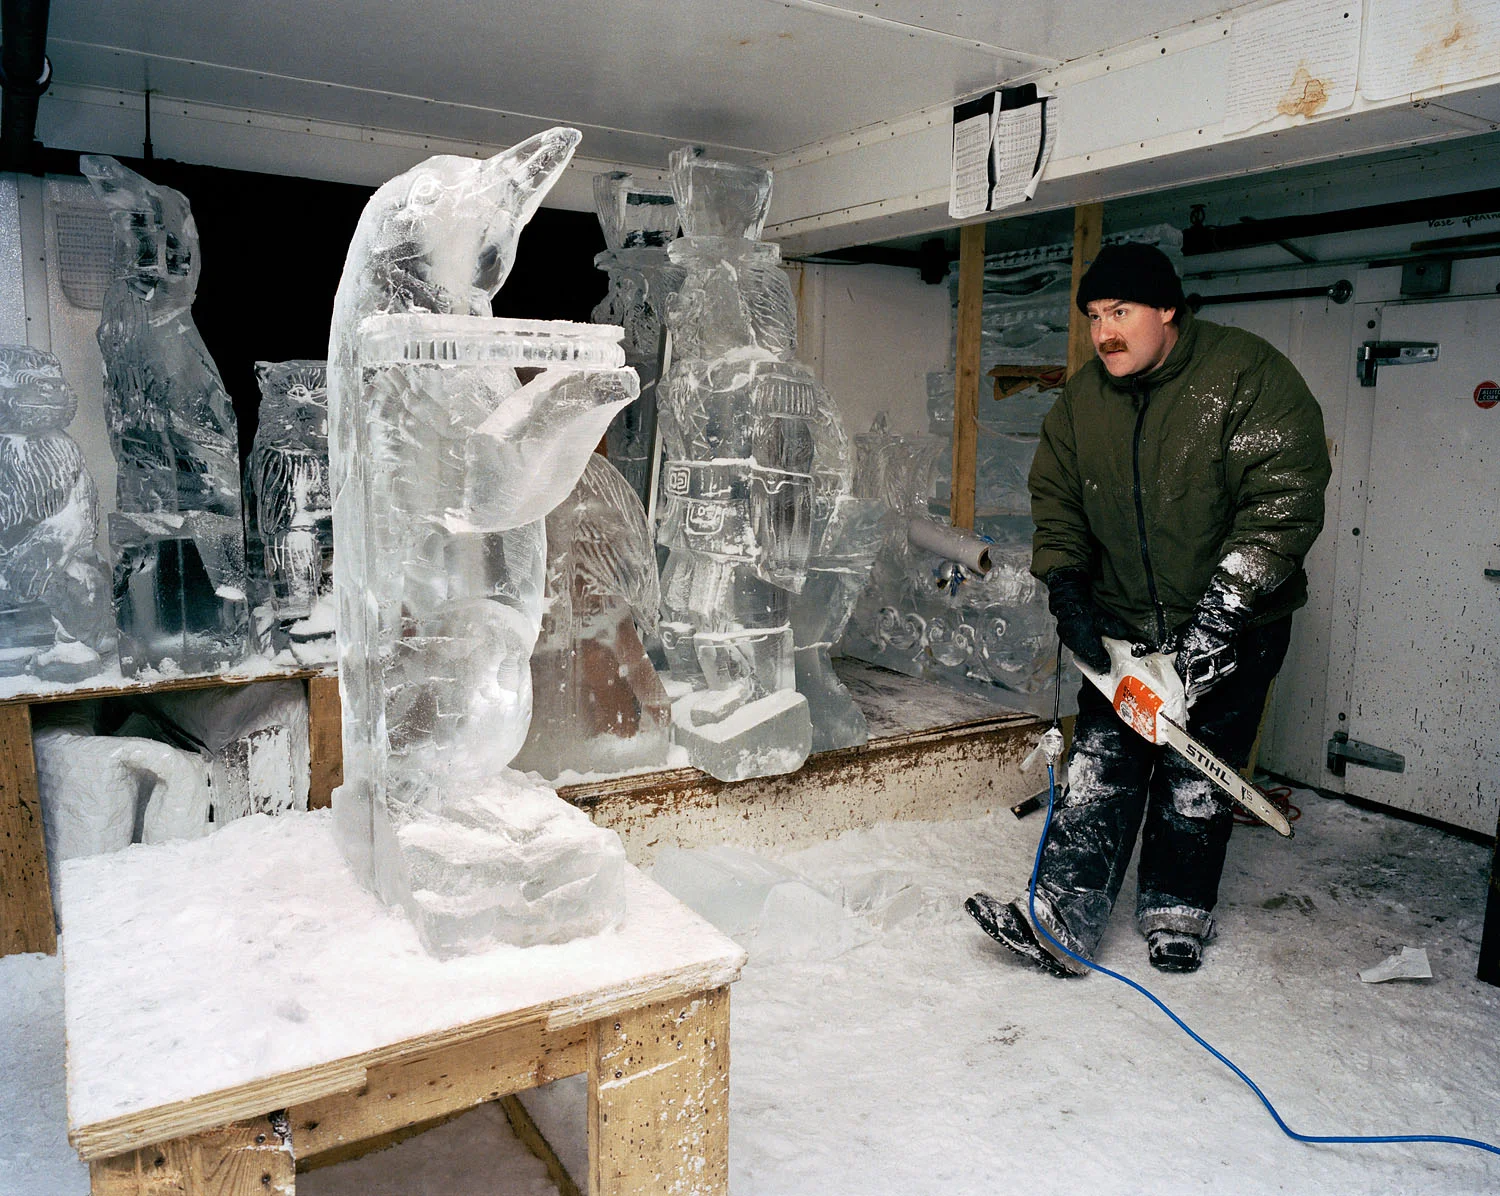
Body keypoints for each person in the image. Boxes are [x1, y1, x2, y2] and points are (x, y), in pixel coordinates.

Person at [967, 242, 1331, 975]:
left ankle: (1177, 912)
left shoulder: (1246, 378)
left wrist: (1223, 613)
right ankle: (1061, 920)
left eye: (1120, 312)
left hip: (1236, 622)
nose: (1104, 332)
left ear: (1167, 309)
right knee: (1102, 766)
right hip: (1125, 629)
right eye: (1094, 317)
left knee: (1196, 778)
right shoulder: (1083, 402)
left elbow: (1283, 500)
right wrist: (1067, 587)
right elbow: (1058, 503)